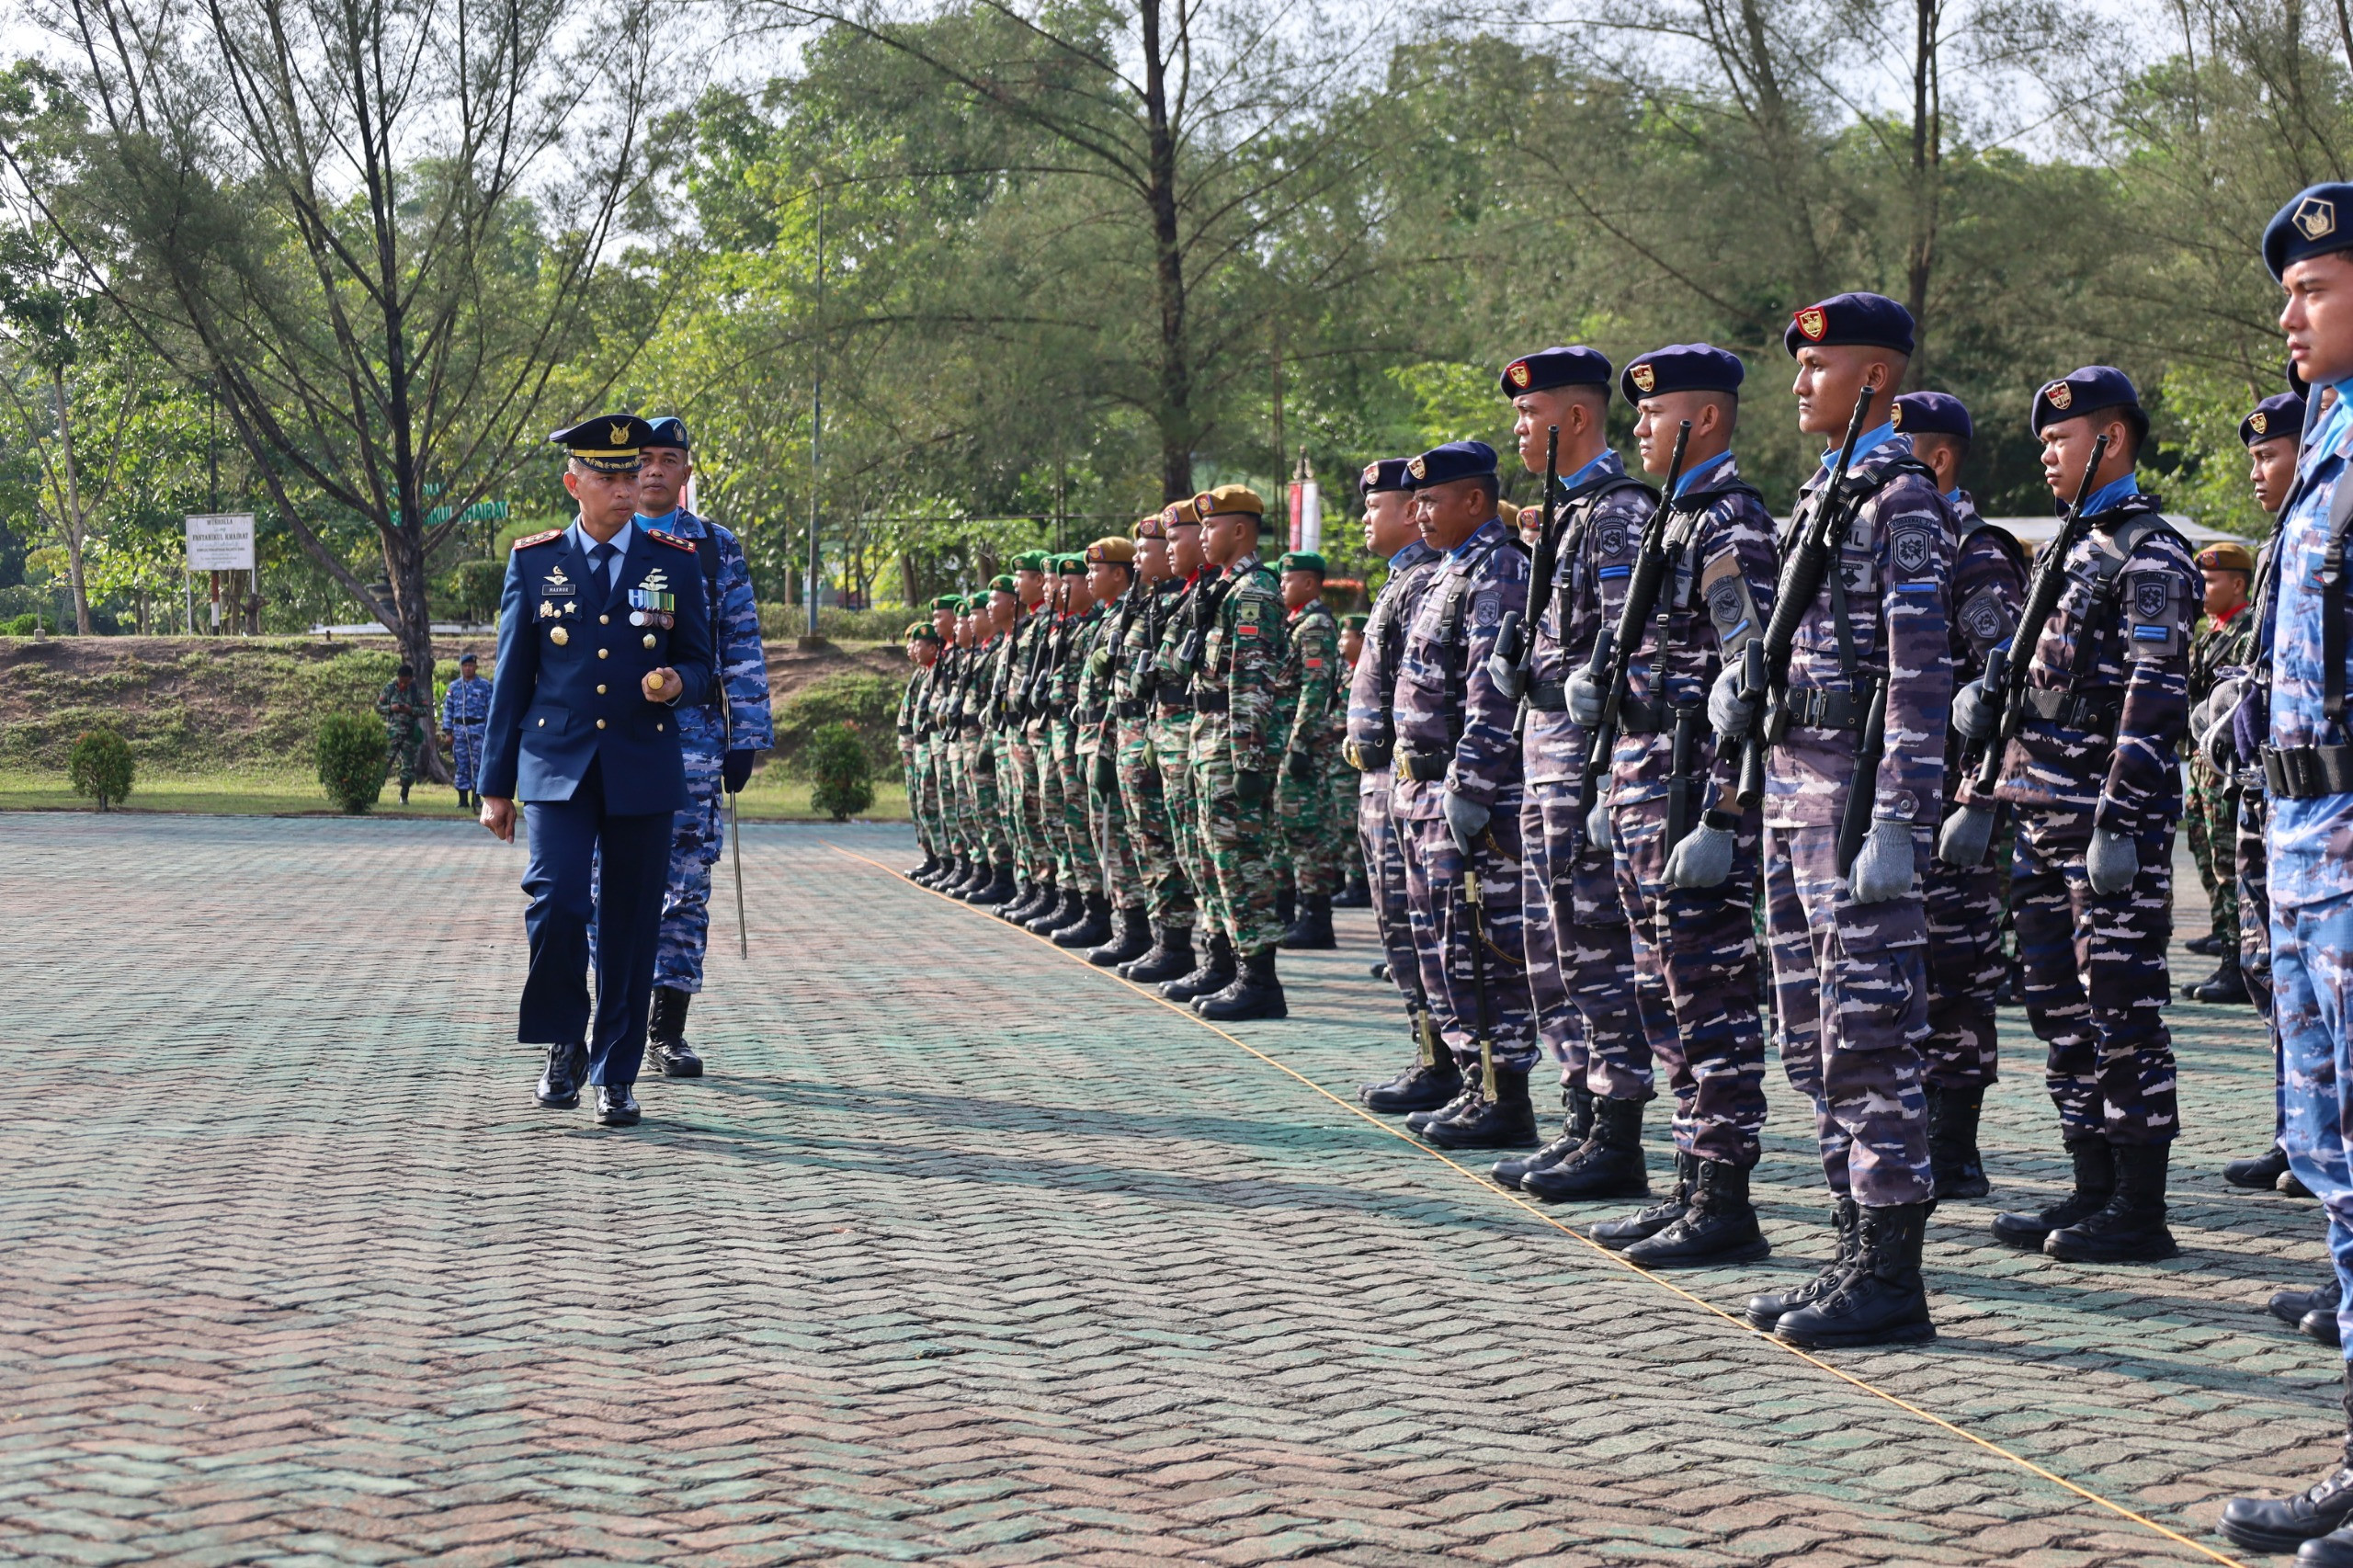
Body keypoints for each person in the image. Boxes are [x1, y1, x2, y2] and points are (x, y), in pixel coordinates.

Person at [1945, 365, 2200, 1267]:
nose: (2046, 455)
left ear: (2112, 439)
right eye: (2044, 440)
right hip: (2039, 808)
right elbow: (2023, 685)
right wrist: (1979, 784)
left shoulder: (2149, 553)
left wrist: (2120, 820)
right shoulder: (2065, 548)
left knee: (2120, 1005)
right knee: (2057, 1004)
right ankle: (2090, 1181)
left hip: (2101, 818)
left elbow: (2153, 691)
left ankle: (2138, 1202)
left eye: (2060, 439)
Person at [1570, 342, 1779, 1268]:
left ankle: (1724, 1197)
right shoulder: (1670, 521)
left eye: (1654, 414)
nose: (1641, 429)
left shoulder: (1727, 524)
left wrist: (1721, 816)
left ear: (1699, 418)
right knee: (1663, 993)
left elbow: (1747, 680)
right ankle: (1690, 1185)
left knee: (1711, 997)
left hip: (1693, 788)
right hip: (1645, 778)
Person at [2219, 182, 2353, 1567]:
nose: (2289, 312)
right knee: (2336, 1168)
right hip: (2308, 846)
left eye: (2313, 288)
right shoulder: (2331, 445)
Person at [475, 414, 713, 1129]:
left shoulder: (674, 559)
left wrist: (679, 683)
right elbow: (512, 677)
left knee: (631, 926)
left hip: (641, 764)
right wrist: (495, 784)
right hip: (556, 763)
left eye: (633, 469)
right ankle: (561, 1045)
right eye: (608, 475)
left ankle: (616, 1072)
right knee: (557, 905)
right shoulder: (534, 562)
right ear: (573, 482)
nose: (627, 484)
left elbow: (704, 663)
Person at [1482, 346, 1662, 1202]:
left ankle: (1616, 1129)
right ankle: (1579, 1118)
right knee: (1553, 951)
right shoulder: (1567, 513)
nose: (1519, 429)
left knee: (1595, 949)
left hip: (1588, 763)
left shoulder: (1619, 513)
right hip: (1544, 752)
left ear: (1576, 417)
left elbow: (1632, 647)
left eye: (1530, 414)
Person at [1894, 390, 2028, 1201]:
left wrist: (1977, 801)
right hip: (1899, 794)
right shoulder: (1899, 540)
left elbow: (2002, 690)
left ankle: (1955, 1144)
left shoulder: (1974, 552)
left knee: (1957, 970)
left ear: (1936, 461)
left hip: (1952, 801)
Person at [1390, 441, 1536, 1146]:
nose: (1418, 513)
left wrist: (1471, 784)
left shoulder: (1498, 568)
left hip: (1465, 793)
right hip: (1422, 790)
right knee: (1443, 947)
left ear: (1474, 501)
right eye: (1414, 501)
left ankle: (1505, 1095)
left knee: (1481, 949)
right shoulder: (1447, 570)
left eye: (1431, 500)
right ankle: (1475, 1083)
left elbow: (1490, 689)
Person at [630, 418, 774, 1079]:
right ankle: (614, 1025)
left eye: (668, 460)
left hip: (692, 746)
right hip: (613, 743)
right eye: (643, 460)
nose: (655, 470)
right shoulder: (604, 540)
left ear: (687, 473)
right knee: (606, 887)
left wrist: (745, 736)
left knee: (684, 889)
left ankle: (667, 1029)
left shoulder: (715, 548)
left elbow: (742, 642)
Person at [2222, 390, 2309, 1205]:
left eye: (2267, 454)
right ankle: (2295, 1133)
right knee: (2271, 972)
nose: (2257, 471)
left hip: (2312, 798)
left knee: (2312, 982)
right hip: (2265, 796)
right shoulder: (2285, 536)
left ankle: (2315, 1146)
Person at [1352, 460, 1453, 1109]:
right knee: (1400, 930)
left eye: (1375, 506)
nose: (1368, 518)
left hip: (1409, 779)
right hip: (1385, 779)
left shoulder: (1425, 581)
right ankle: (1428, 1058)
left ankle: (1448, 1065)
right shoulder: (1402, 581)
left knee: (1424, 932)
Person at [1186, 485, 1291, 1020]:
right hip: (1213, 742)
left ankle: (1260, 979)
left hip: (1234, 748)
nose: (1202, 535)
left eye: (1211, 526)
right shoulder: (1224, 589)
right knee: (1217, 863)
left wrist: (1250, 763)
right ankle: (1227, 963)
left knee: (1243, 863)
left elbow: (1251, 682)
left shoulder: (1254, 593)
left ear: (1241, 531)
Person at [1109, 512, 1198, 975]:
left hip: (1175, 736)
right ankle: (1162, 938)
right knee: (1149, 843)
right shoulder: (1152, 603)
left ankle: (1179, 945)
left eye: (1149, 548)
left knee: (1173, 846)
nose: (1144, 557)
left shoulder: (1184, 601)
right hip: (1146, 734)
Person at [2182, 537, 2257, 1004]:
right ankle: (2227, 939)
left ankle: (2239, 962)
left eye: (2209, 581)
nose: (2201, 588)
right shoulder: (2211, 631)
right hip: (2202, 764)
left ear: (2237, 583)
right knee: (2210, 858)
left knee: (2231, 865)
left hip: (2228, 769)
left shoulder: (2246, 633)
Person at [1075, 536, 1152, 961]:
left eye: (1095, 570)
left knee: (1126, 840)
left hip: (1123, 739)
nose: (1088, 577)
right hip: (1104, 739)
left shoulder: (1133, 615)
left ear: (1119, 575)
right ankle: (1126, 922)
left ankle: (1137, 928)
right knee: (1107, 836)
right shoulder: (1113, 618)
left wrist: (1104, 747)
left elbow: (1119, 696)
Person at [1273, 551, 1343, 950]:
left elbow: (1314, 689)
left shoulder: (1314, 625)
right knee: (1287, 829)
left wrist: (1300, 742)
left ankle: (1316, 918)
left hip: (1303, 744)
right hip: (1286, 738)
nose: (1282, 587)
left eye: (1289, 580)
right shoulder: (1295, 623)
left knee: (1306, 832)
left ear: (1310, 584)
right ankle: (1290, 910)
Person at [997, 552, 1057, 922]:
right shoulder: (1031, 625)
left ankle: (1051, 892)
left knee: (1043, 814)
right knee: (1021, 811)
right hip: (1023, 729)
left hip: (1048, 732)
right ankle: (1033, 887)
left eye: (1025, 578)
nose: (1017, 584)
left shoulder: (1046, 624)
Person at [899, 622, 944, 880]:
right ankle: (931, 855)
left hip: (928, 747)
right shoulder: (921, 674)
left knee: (931, 803)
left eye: (916, 643)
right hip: (915, 748)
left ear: (931, 647)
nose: (911, 648)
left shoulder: (934, 672)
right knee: (919, 803)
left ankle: (942, 858)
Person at [441, 652, 493, 811]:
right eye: (465, 666)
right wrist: (448, 731)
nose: (468, 668)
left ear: (476, 667)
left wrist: (491, 731)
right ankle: (462, 799)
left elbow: (492, 708)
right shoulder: (455, 686)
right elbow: (448, 709)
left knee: (478, 763)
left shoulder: (485, 686)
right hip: (460, 730)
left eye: (471, 665)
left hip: (478, 729)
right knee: (462, 764)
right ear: (461, 667)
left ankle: (476, 797)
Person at [376, 663, 427, 804]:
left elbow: (425, 710)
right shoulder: (390, 688)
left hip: (409, 734)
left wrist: (411, 710)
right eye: (401, 680)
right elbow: (378, 707)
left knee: (407, 767)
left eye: (406, 681)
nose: (403, 683)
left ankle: (404, 796)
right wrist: (391, 708)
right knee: (384, 764)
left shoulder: (416, 691)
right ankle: (374, 793)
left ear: (411, 679)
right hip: (392, 733)